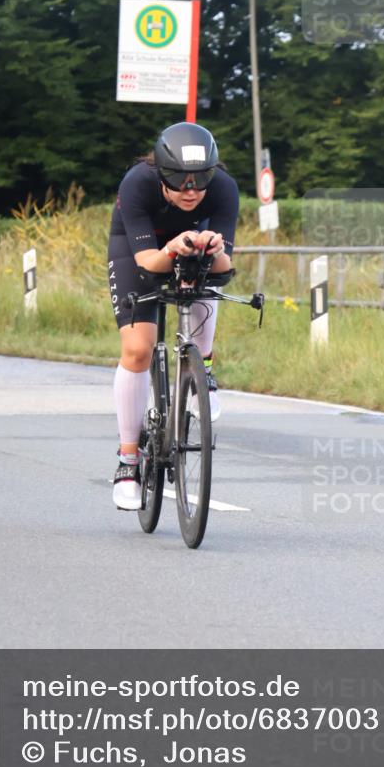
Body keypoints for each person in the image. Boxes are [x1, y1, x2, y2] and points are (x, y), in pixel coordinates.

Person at [107, 121, 239, 510]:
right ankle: (128, 462)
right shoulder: (137, 183)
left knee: (204, 270)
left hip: (191, 252)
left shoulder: (225, 188)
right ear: (163, 174)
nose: (191, 191)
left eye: (200, 182)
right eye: (180, 181)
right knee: (138, 349)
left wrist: (212, 249)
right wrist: (172, 248)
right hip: (139, 251)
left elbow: (225, 265)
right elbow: (149, 261)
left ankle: (204, 369)